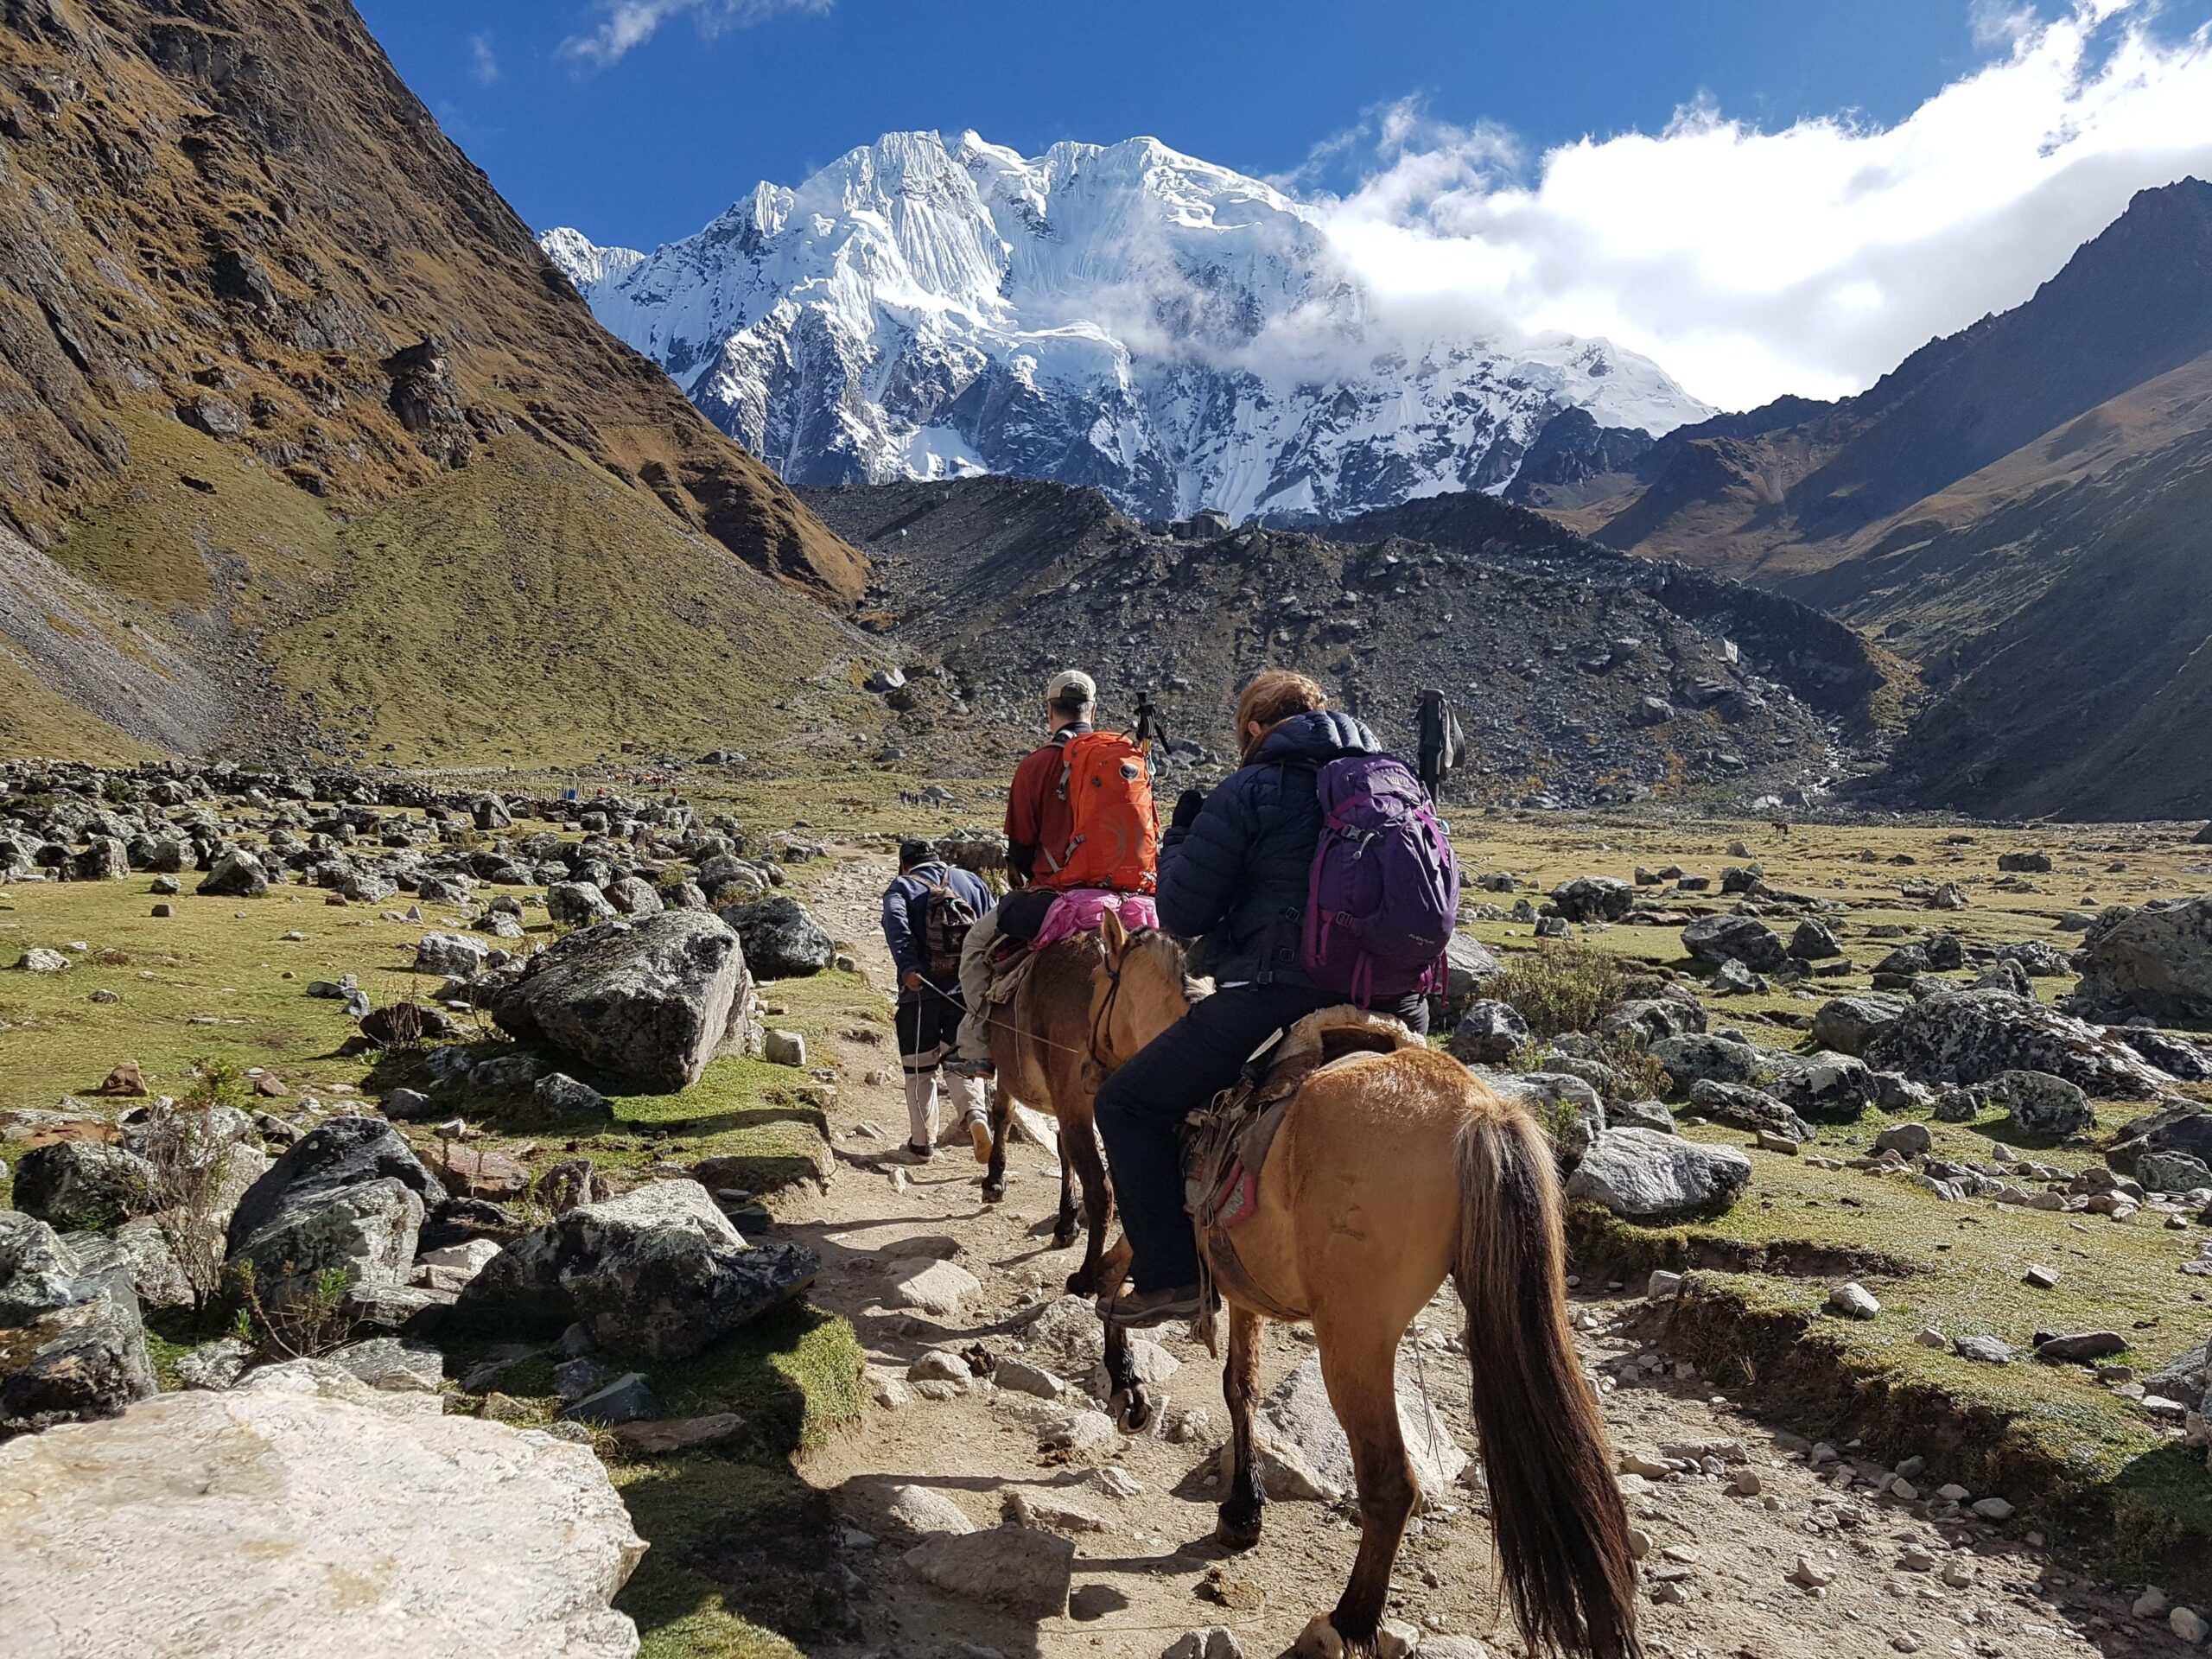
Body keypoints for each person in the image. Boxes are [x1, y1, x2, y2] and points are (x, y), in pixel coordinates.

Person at [1091, 670, 1433, 1327]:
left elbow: (1182, 912)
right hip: (1402, 1003)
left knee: (1125, 1103)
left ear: (1253, 730)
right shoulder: (1398, 786)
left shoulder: (1254, 787)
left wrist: (1185, 838)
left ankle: (1170, 1278)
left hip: (1280, 997)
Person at [947, 668, 1100, 1074]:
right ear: (1093, 711)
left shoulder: (1037, 765)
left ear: (1050, 712)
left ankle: (978, 1047)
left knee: (976, 946)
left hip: (1056, 896)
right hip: (1130, 900)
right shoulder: (1127, 764)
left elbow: (1020, 848)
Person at [880, 840, 995, 1162]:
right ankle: (975, 1116)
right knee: (962, 1065)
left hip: (921, 993)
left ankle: (922, 1144)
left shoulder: (901, 886)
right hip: (967, 994)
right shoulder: (971, 881)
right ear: (936, 858)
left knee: (920, 1070)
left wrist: (908, 969)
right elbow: (993, 927)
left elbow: (895, 924)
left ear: (905, 864)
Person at [1416, 687, 1465, 798]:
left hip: (1432, 746)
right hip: (1429, 746)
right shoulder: (1427, 714)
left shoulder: (1432, 712)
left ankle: (1430, 806)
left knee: (1430, 757)